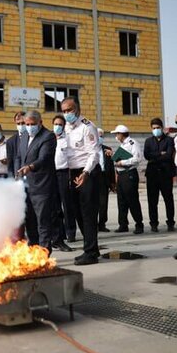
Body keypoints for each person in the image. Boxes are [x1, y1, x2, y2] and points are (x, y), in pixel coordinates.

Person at [61, 96, 101, 266]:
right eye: (64, 111)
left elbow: (94, 152)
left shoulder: (87, 126)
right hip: (73, 172)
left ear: (77, 109)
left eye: (69, 110)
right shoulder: (66, 128)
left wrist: (85, 172)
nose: (67, 114)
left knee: (88, 213)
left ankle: (90, 253)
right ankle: (91, 248)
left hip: (87, 172)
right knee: (77, 212)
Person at [16, 111, 57, 255]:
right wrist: (18, 172)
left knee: (43, 221)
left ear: (40, 122)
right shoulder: (24, 136)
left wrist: (30, 167)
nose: (29, 127)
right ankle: (32, 250)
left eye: (32, 124)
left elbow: (44, 158)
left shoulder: (48, 136)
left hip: (41, 186)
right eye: (27, 124)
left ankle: (44, 253)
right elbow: (19, 156)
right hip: (25, 186)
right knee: (29, 221)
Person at [143, 118, 176, 232]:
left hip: (166, 174)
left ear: (162, 128)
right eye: (154, 128)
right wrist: (160, 154)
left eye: (158, 128)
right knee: (152, 201)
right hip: (152, 174)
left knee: (168, 199)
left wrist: (155, 156)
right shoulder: (148, 141)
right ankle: (153, 224)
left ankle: (170, 223)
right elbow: (146, 155)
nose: (156, 130)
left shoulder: (169, 140)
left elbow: (169, 155)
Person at [110, 125, 144, 234]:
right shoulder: (123, 145)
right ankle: (123, 224)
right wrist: (114, 157)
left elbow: (137, 158)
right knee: (121, 201)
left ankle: (139, 224)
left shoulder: (132, 143)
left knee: (132, 200)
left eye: (117, 134)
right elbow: (119, 159)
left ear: (121, 134)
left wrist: (122, 162)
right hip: (121, 175)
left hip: (129, 174)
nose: (116, 136)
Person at [51, 115, 75, 250]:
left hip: (64, 173)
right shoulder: (49, 140)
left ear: (64, 126)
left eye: (60, 124)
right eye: (55, 124)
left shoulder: (68, 140)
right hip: (51, 174)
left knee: (67, 204)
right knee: (55, 207)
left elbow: (71, 158)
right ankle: (59, 235)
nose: (57, 126)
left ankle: (71, 232)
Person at [97, 128, 116, 233]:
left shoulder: (107, 150)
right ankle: (93, 224)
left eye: (101, 136)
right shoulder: (88, 149)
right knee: (92, 203)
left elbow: (111, 167)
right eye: (98, 135)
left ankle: (102, 224)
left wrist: (112, 182)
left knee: (103, 203)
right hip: (93, 177)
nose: (100, 138)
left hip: (104, 178)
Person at [7, 111, 26, 178]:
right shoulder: (10, 141)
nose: (21, 125)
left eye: (23, 123)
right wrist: (11, 178)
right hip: (17, 175)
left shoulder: (33, 138)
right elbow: (10, 163)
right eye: (18, 123)